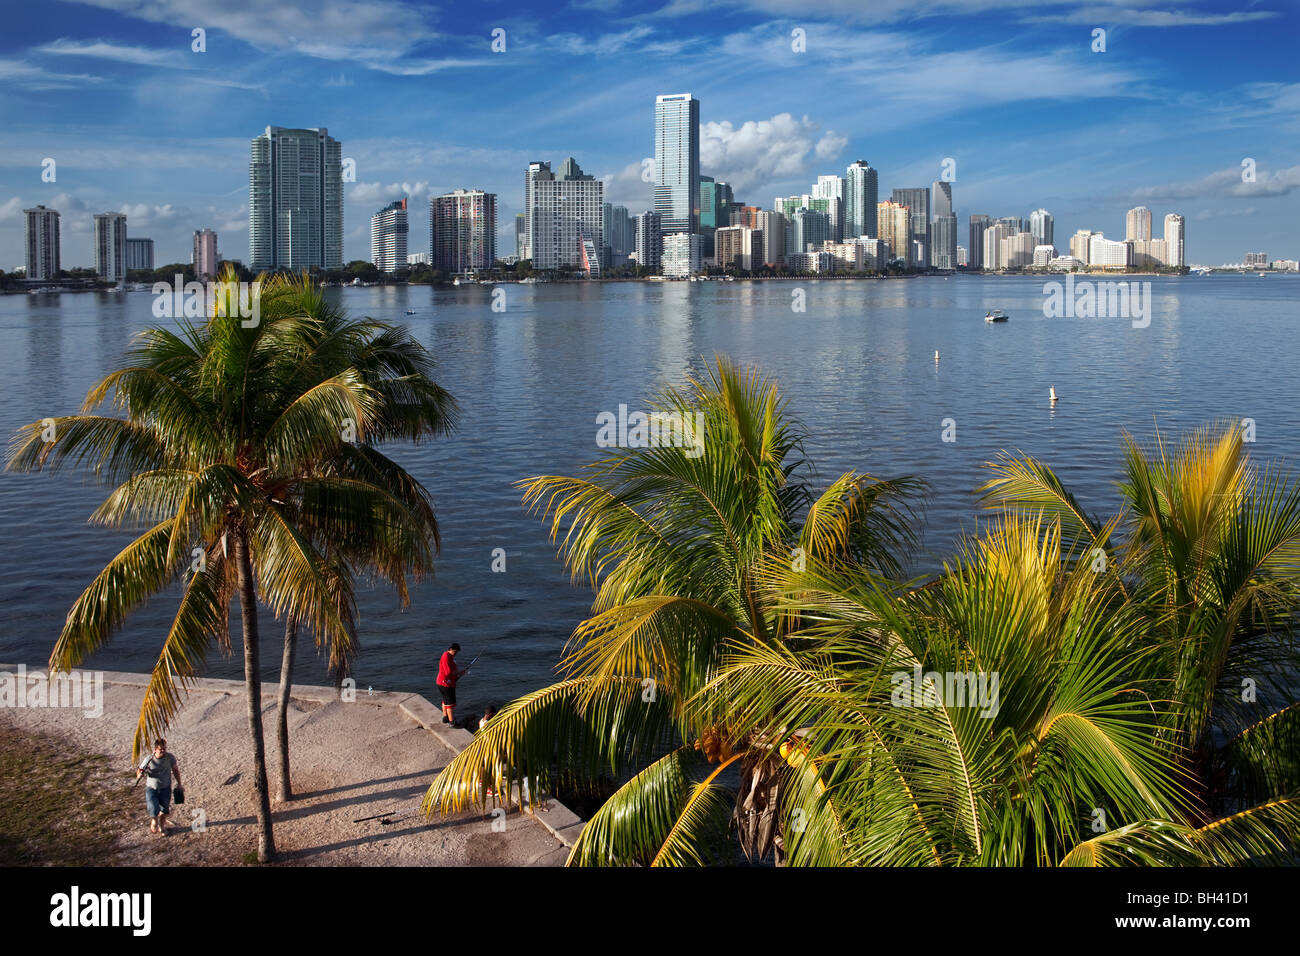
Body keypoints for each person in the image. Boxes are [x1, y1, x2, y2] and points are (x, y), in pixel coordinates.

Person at [135, 738, 182, 835]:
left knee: (164, 810)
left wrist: (179, 784)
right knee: (153, 809)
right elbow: (139, 770)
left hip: (165, 788)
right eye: (161, 749)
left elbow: (175, 770)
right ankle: (154, 822)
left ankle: (162, 827)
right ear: (155, 749)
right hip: (152, 788)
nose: (163, 751)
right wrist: (139, 775)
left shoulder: (170, 758)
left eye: (165, 748)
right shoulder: (149, 759)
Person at [436, 642, 470, 724]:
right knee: (450, 703)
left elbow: (450, 672)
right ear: (450, 649)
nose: (456, 654)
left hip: (441, 682)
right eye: (455, 652)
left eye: (457, 652)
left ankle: (445, 717)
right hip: (446, 684)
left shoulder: (448, 656)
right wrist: (458, 673)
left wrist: (459, 673)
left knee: (445, 700)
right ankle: (452, 722)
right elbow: (448, 673)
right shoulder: (446, 657)